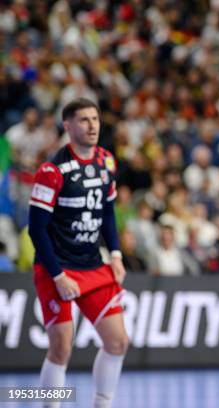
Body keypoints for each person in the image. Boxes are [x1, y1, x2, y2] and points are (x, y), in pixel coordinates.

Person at [28, 98, 129, 408]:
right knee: (61, 347)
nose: (92, 126)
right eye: (83, 120)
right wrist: (57, 276)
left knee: (117, 342)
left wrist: (115, 253)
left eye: (95, 119)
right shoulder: (52, 170)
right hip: (57, 267)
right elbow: (37, 230)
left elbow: (108, 213)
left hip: (92, 265)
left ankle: (102, 403)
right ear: (67, 126)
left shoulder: (107, 162)